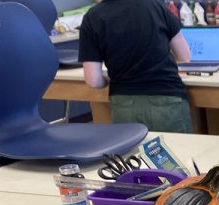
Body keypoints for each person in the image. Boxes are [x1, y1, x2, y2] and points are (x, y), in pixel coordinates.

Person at [78, 0, 193, 133]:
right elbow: (185, 57)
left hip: (124, 104)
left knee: (130, 153)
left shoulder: (91, 17)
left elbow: (93, 81)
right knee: (176, 151)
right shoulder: (155, 6)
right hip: (167, 99)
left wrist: (107, 79)